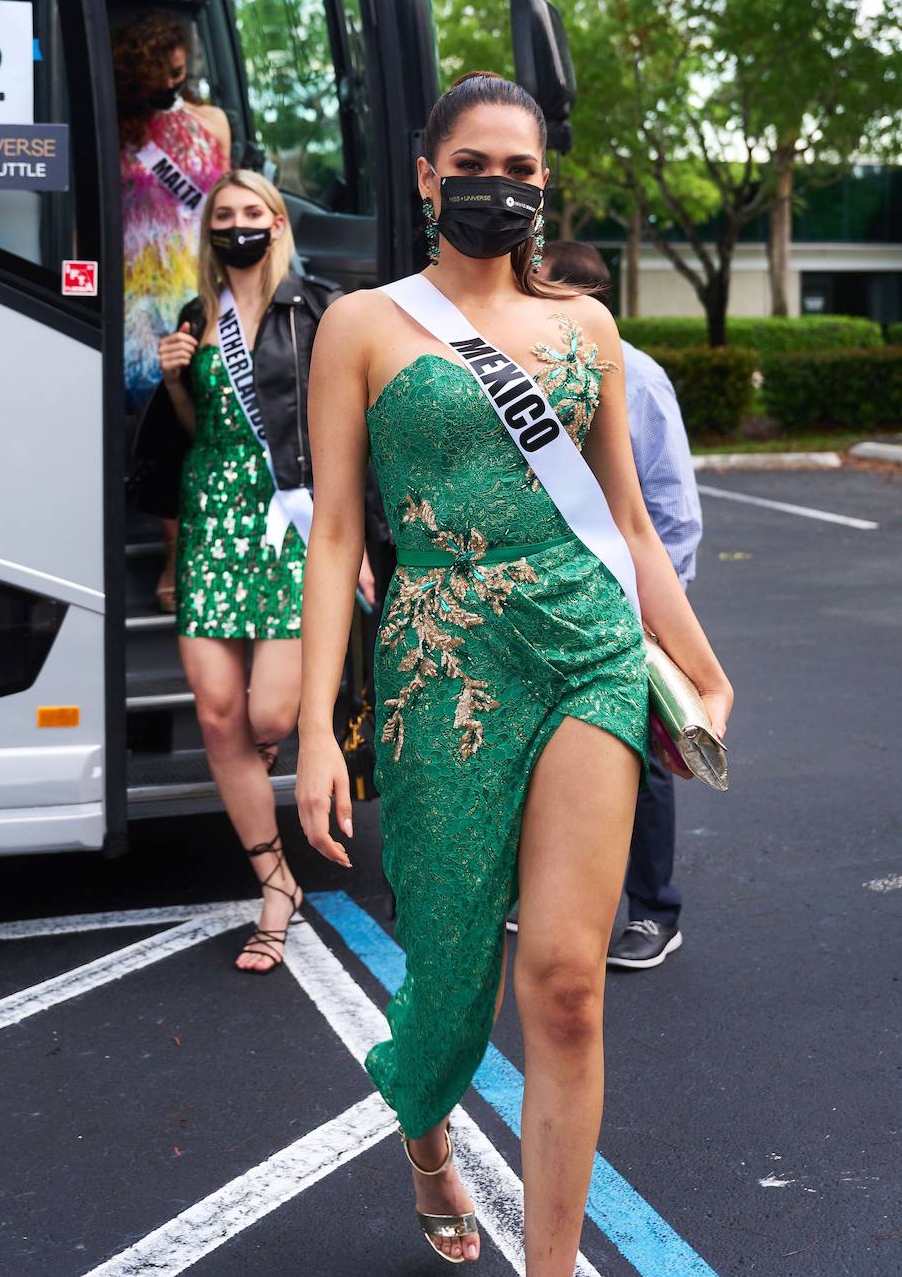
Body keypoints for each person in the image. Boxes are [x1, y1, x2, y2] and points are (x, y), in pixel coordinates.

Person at [295, 71, 732, 1271]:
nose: (499, 190)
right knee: (448, 974)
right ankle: (428, 1140)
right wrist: (322, 732)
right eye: (474, 169)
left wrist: (695, 660)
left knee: (564, 983)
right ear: (429, 178)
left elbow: (631, 528)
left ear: (546, 186)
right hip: (441, 661)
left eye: (521, 172)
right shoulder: (364, 326)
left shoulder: (587, 328)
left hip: (583, 648)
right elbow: (337, 535)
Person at [157, 169, 374, 973]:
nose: (238, 224)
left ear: (279, 223)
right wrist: (178, 379)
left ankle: (270, 767)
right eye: (225, 214)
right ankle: (274, 882)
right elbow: (193, 429)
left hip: (291, 525)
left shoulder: (313, 312)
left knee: (271, 717)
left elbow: (349, 429)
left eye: (253, 212)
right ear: (208, 229)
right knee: (218, 716)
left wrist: (356, 545)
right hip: (212, 516)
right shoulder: (195, 315)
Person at [535, 239, 703, 970]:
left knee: (639, 755)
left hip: (621, 600)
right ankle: (547, 897)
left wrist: (658, 615)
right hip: (542, 595)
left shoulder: (636, 378)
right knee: (546, 745)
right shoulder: (516, 369)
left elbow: (670, 508)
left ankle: (653, 912)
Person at [114, 9, 231, 611]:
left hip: (197, 285)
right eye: (159, 69)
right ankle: (172, 552)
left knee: (197, 413)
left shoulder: (211, 123)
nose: (172, 78)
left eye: (178, 67)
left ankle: (185, 555)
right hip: (136, 291)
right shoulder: (118, 130)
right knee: (158, 427)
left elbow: (227, 204)